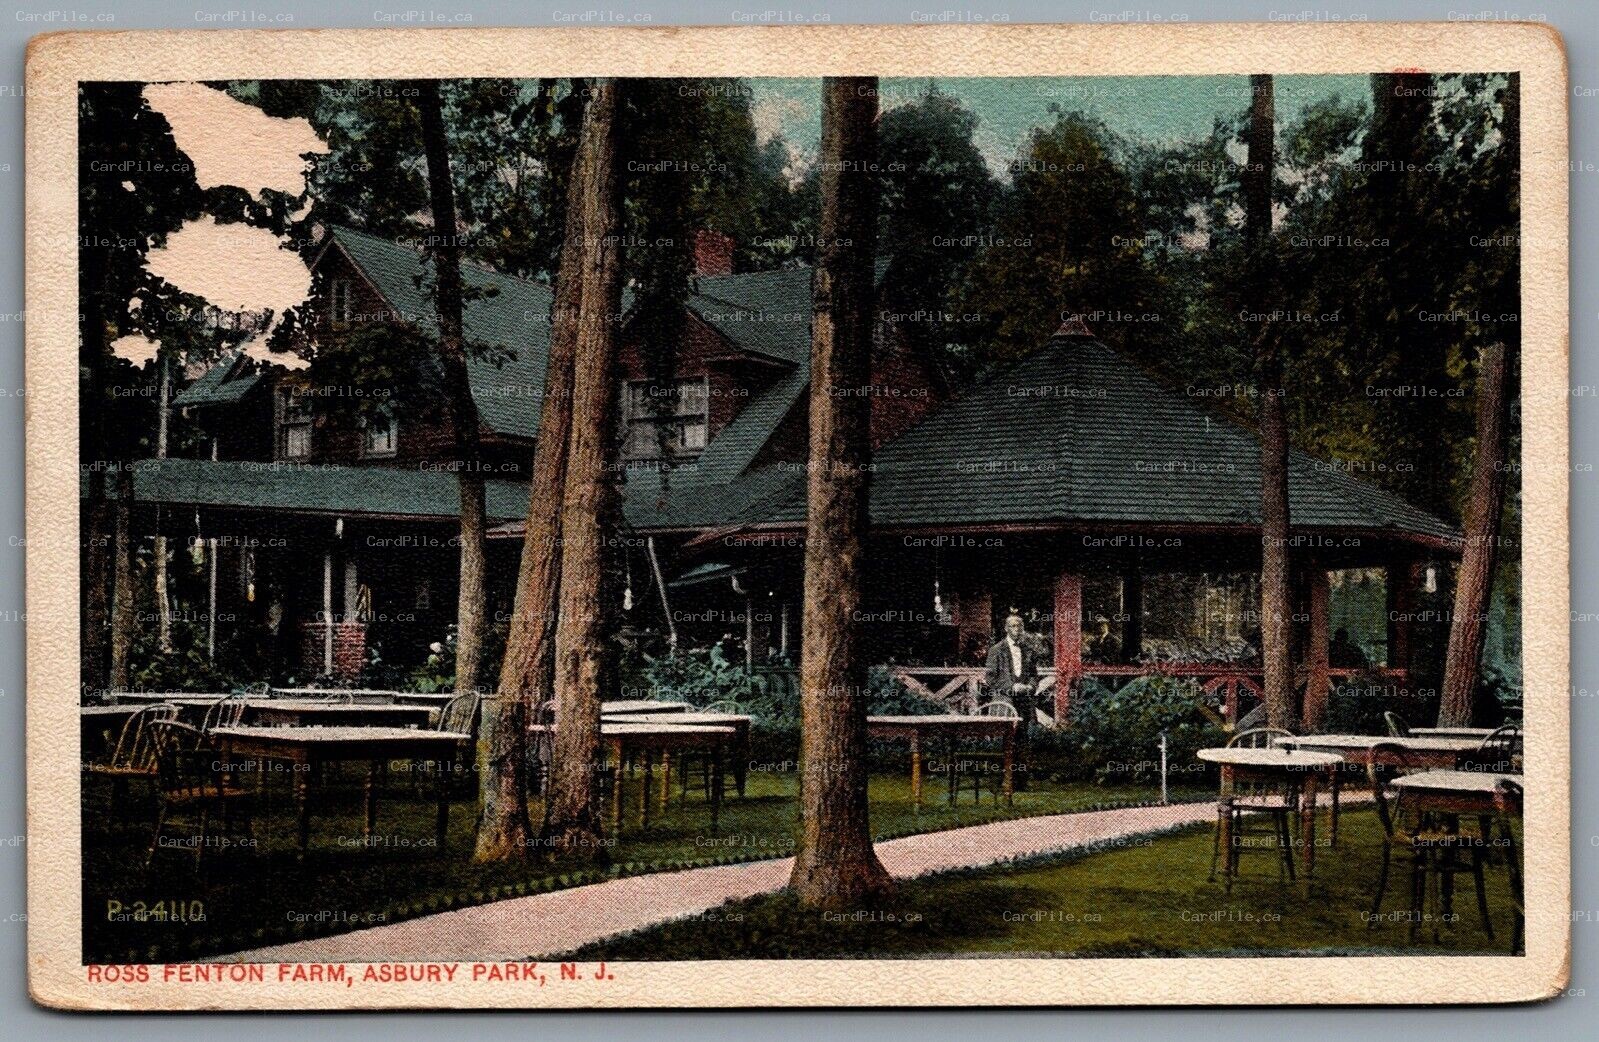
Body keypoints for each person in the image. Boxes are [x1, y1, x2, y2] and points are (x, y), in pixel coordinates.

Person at [984, 612, 1043, 791]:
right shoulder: (996, 650)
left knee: (1023, 740)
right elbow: (990, 678)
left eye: (1020, 626)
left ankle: (1022, 782)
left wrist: (1031, 686)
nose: (1017, 630)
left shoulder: (1027, 650)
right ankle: (1002, 781)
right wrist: (1012, 686)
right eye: (1013, 626)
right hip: (1004, 701)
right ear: (1006, 629)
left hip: (1024, 702)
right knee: (1005, 740)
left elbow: (1034, 674)